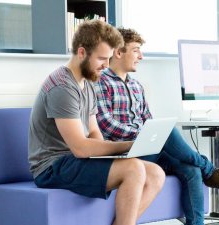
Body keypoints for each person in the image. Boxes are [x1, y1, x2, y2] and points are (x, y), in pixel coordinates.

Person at [94, 27, 219, 225]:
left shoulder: (136, 86)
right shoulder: (101, 82)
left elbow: (147, 119)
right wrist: (143, 135)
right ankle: (211, 172)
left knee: (192, 170)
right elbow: (105, 125)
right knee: (169, 132)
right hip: (123, 153)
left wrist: (150, 134)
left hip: (147, 150)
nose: (140, 56)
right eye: (135, 50)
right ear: (118, 52)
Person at [28, 20, 165, 225]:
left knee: (155, 173)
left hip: (75, 161)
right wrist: (130, 145)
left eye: (109, 59)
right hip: (52, 166)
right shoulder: (62, 87)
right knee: (134, 168)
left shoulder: (89, 81)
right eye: (102, 58)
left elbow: (94, 134)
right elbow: (81, 148)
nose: (106, 66)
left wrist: (116, 153)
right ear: (82, 52)